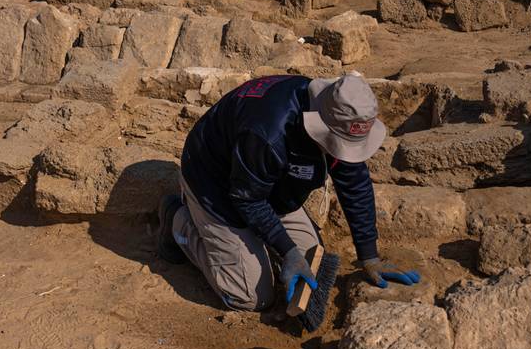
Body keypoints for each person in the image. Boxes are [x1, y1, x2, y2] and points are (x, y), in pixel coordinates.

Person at [157, 73, 420, 312]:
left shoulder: (337, 112)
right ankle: (179, 220)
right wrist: (287, 249)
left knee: (311, 261)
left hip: (269, 183)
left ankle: (250, 244)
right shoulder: (268, 132)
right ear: (323, 125)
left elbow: (355, 183)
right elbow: (246, 199)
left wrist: (369, 255)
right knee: (250, 296)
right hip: (216, 185)